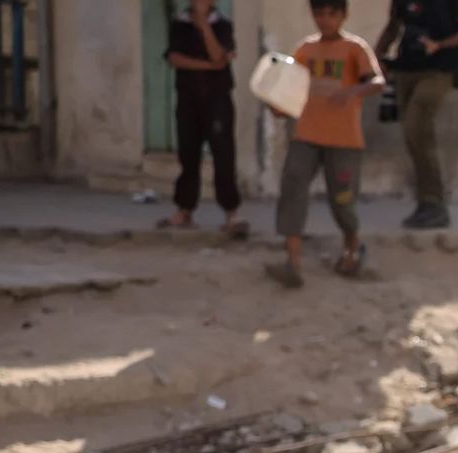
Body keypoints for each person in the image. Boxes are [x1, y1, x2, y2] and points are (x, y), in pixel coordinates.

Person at [265, 0, 385, 289]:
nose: (325, 20)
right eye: (319, 14)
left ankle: (352, 247)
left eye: (332, 14)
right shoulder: (305, 50)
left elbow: (377, 82)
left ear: (344, 15)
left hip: (344, 140)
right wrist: (278, 105)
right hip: (306, 135)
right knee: (293, 188)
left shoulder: (354, 48)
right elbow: (291, 89)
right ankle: (292, 261)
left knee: (342, 200)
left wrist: (353, 91)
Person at [377, 0, 458, 230]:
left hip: (440, 69)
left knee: (417, 124)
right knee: (412, 136)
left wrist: (440, 44)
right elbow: (394, 26)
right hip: (407, 68)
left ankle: (434, 204)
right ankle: (426, 203)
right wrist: (377, 55)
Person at [161, 0, 246, 238]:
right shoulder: (180, 25)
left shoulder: (222, 26)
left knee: (223, 154)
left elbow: (219, 54)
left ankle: (231, 211)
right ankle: (185, 208)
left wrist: (204, 27)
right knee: (188, 153)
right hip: (188, 98)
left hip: (217, 99)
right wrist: (209, 66)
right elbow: (175, 58)